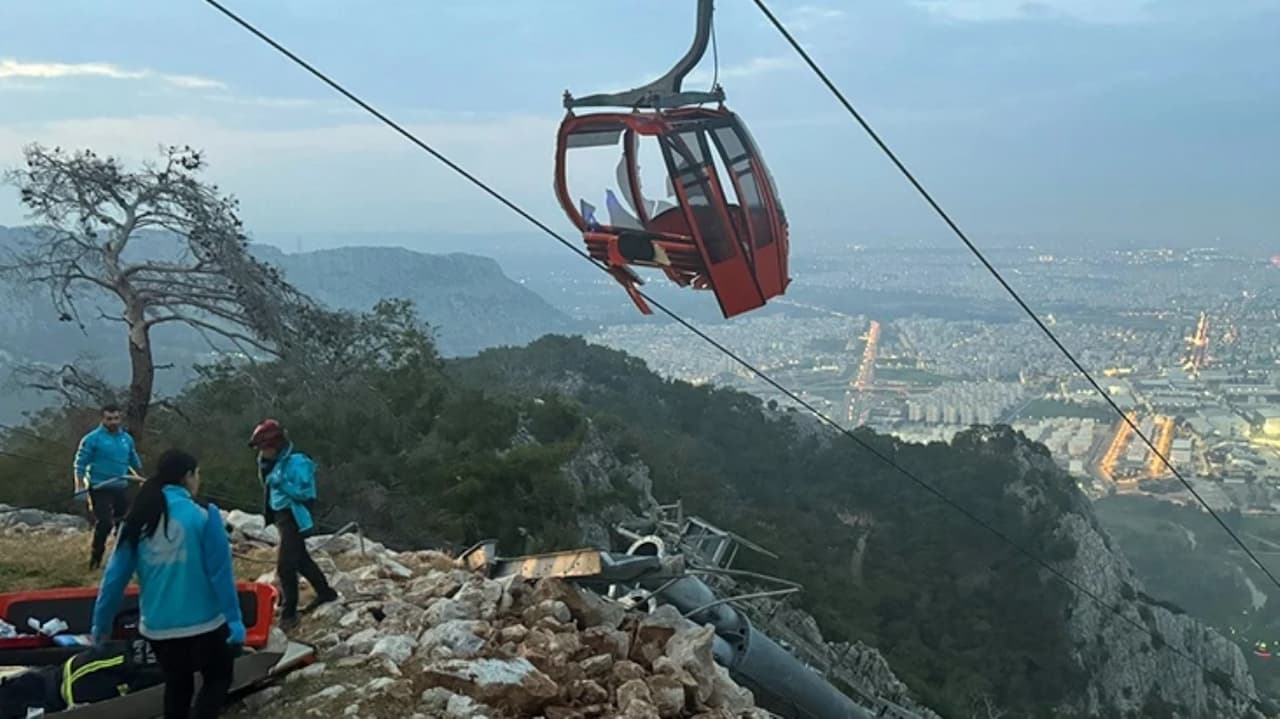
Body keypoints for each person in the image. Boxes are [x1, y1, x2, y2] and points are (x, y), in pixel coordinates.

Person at [90, 449, 244, 719]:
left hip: (158, 628)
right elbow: (220, 574)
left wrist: (101, 624)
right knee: (217, 679)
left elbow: (114, 580)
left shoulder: (136, 519)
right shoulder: (204, 516)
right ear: (188, 477)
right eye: (197, 475)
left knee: (177, 686)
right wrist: (235, 621)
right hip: (205, 623)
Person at [249, 419, 338, 629]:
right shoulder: (268, 463)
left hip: (293, 517)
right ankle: (326, 592)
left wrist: (283, 484)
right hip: (281, 516)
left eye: (265, 447)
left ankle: (289, 614)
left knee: (285, 566)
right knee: (301, 560)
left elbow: (306, 493)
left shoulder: (297, 463)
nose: (262, 452)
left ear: (276, 445)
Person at [74, 403, 144, 569]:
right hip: (100, 487)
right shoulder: (92, 439)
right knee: (105, 523)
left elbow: (133, 460)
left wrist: (141, 478)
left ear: (120, 418)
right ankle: (95, 559)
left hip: (121, 486)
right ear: (103, 419)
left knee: (124, 524)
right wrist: (79, 486)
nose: (113, 422)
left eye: (116, 418)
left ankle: (123, 561)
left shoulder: (126, 439)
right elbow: (80, 464)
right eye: (109, 419)